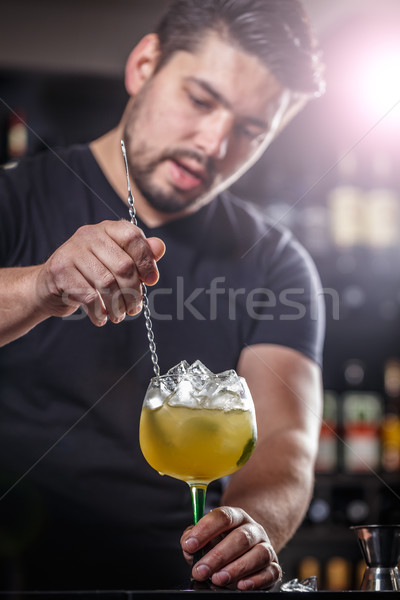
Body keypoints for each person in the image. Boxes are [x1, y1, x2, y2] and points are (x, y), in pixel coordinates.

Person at [0, 0, 326, 592]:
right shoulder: (12, 200)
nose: (214, 142)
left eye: (251, 130)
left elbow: (285, 439)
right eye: (202, 100)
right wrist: (42, 286)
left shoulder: (278, 264)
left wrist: (254, 525)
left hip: (181, 581)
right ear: (145, 64)